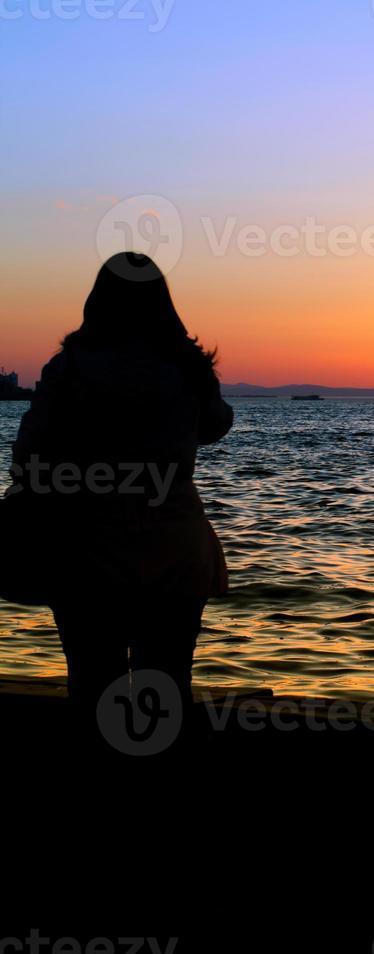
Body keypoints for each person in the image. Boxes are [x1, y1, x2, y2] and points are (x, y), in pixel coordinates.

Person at [11, 252, 233, 735]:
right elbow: (216, 424)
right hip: (176, 553)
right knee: (167, 689)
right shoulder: (188, 369)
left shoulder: (69, 367)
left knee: (92, 689)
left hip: (88, 555)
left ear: (98, 301)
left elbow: (27, 458)